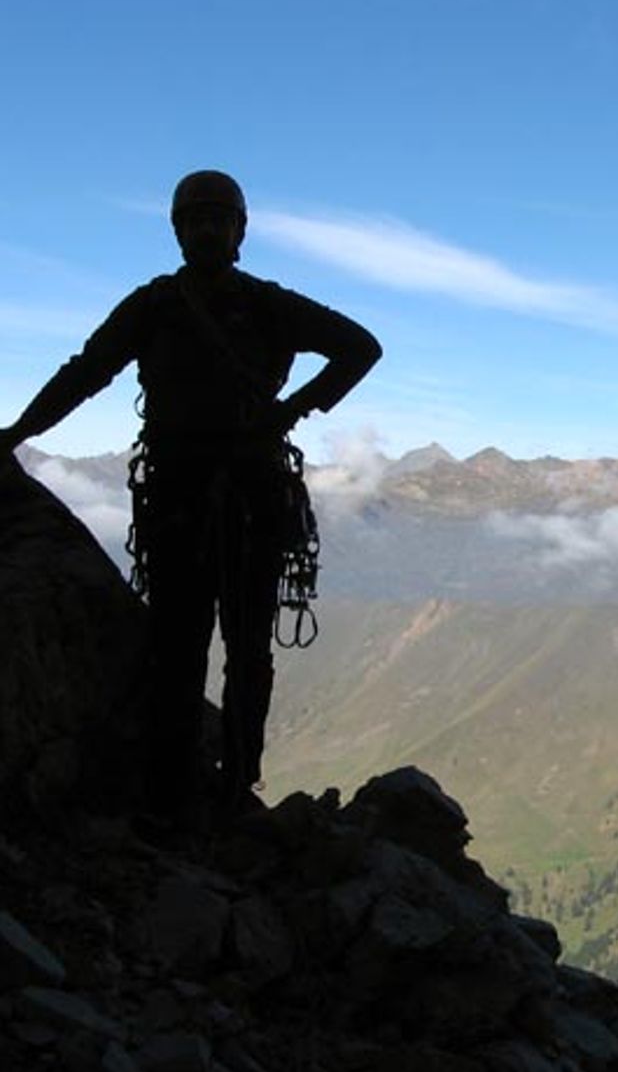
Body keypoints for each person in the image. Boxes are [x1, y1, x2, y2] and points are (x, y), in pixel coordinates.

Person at [0, 170, 381, 821]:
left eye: (216, 219)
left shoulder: (196, 307)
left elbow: (362, 348)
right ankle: (201, 791)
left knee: (220, 648)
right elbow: (84, 373)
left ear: (239, 231)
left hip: (218, 499)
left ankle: (215, 791)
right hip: (221, 498)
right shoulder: (189, 306)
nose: (206, 230)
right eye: (195, 220)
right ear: (180, 232)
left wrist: (288, 411)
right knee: (202, 648)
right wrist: (19, 431)